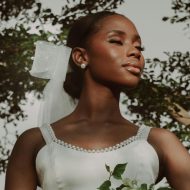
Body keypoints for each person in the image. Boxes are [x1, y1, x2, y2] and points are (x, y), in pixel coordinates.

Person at [5, 11, 190, 190]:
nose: (135, 52)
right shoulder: (34, 142)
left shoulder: (161, 142)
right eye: (117, 41)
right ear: (81, 57)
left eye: (139, 46)